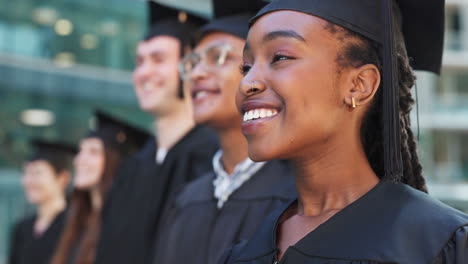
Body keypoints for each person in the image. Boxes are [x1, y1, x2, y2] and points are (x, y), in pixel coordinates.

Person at [221, 0, 468, 263]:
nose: (247, 83)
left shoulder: (434, 244)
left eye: (280, 57)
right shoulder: (245, 250)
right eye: (246, 67)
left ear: (359, 85)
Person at [152, 1, 295, 264]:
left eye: (219, 57)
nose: (196, 74)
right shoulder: (186, 198)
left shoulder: (294, 194)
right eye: (192, 62)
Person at [94, 3, 219, 264]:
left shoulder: (212, 158)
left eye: (158, 59)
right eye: (139, 61)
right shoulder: (133, 168)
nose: (143, 73)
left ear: (191, 65)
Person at [50, 111, 149, 264]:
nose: (79, 160)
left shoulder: (126, 223)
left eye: (93, 152)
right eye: (81, 151)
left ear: (115, 161)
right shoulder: (76, 217)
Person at [8, 140, 74, 264]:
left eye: (37, 173)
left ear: (62, 178)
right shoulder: (22, 228)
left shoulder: (74, 225)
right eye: (26, 173)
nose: (29, 180)